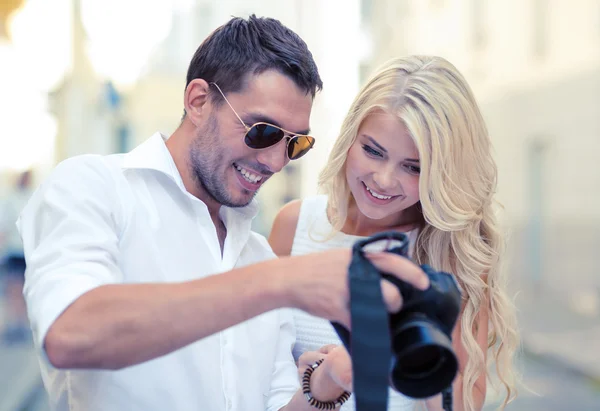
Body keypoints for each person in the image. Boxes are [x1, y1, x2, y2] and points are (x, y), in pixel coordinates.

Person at [16, 16, 430, 411]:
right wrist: (283, 281)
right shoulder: (94, 187)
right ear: (198, 101)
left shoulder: (257, 255)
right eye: (262, 131)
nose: (274, 161)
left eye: (294, 144)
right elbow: (70, 333)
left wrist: (328, 385)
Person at [269, 55, 520, 411]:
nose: (384, 180)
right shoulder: (293, 226)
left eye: (413, 167)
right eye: (373, 151)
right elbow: (251, 381)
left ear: (442, 173)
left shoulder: (449, 253)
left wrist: (403, 352)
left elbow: (461, 405)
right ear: (350, 138)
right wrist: (325, 380)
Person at [0, 169, 34, 344]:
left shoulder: (32, 196)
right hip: (14, 252)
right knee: (13, 288)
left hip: (26, 252)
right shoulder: (10, 200)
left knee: (24, 289)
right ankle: (13, 323)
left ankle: (21, 323)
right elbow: (3, 228)